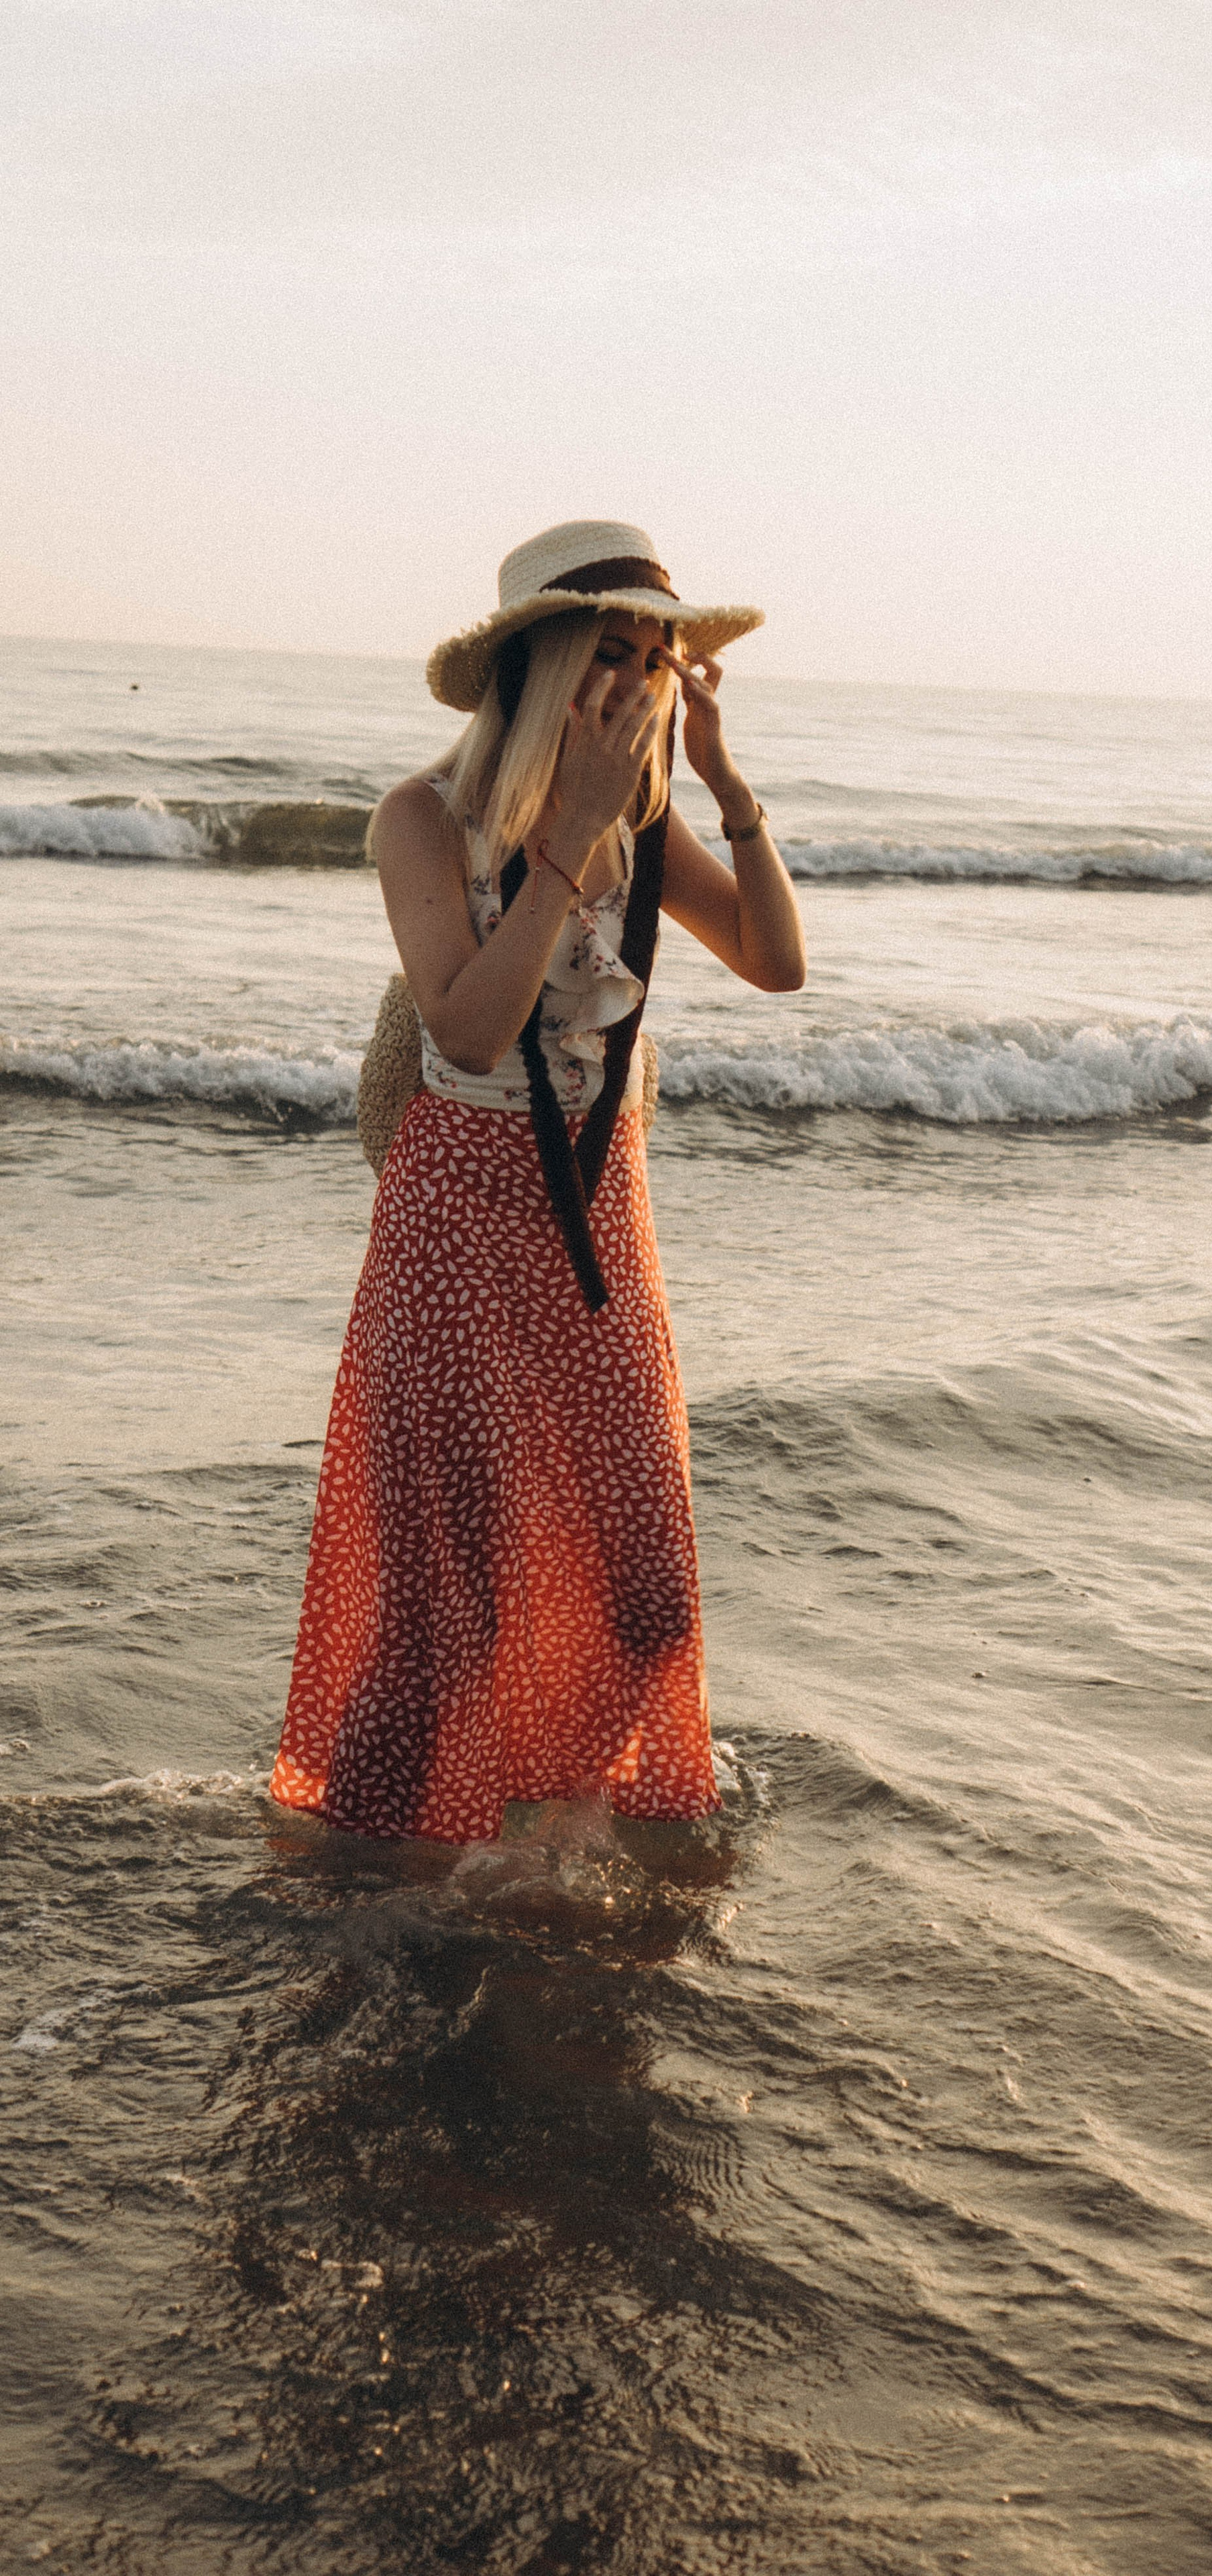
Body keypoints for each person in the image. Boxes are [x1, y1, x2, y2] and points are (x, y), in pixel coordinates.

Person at [270, 521, 806, 1844]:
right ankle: (395, 1866)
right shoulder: (421, 822)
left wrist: (729, 787)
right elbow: (464, 1025)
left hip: (597, 1212)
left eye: (654, 659)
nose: (634, 684)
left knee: (645, 1589)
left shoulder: (640, 819)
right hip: (454, 1216)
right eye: (608, 654)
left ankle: (560, 1821)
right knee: (445, 1596)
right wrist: (562, 833)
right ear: (541, 667)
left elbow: (774, 963)